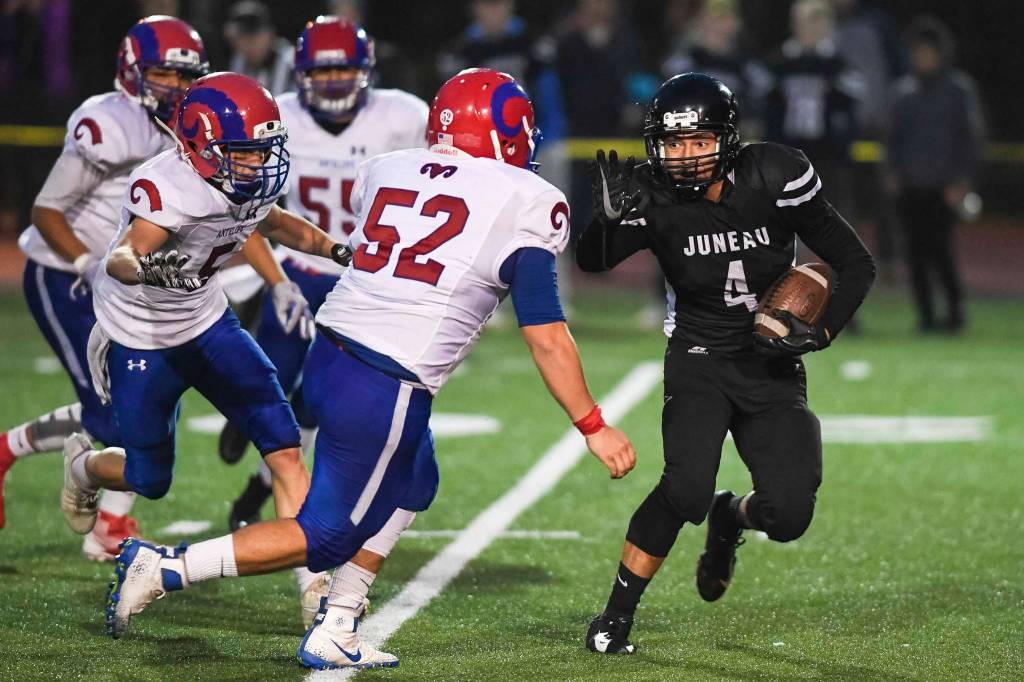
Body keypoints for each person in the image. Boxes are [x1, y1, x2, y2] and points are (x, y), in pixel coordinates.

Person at [102, 68, 638, 671]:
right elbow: (545, 334)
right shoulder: (528, 199)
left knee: (415, 481)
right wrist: (593, 425)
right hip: (388, 378)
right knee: (325, 535)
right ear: (505, 133)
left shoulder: (389, 167)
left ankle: (339, 620)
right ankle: (165, 567)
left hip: (332, 349)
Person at [577, 73, 875, 654]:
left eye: (700, 141)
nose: (686, 156)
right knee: (685, 487)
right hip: (699, 354)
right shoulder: (651, 192)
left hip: (769, 361)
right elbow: (594, 261)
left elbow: (855, 262)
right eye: (674, 143)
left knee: (788, 514)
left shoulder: (774, 175)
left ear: (728, 140)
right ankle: (615, 616)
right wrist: (604, 224)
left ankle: (730, 517)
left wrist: (819, 332)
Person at [60, 72, 353, 625]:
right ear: (199, 144)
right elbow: (122, 257)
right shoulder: (169, 184)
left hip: (209, 323)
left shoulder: (242, 179)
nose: (258, 162)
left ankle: (316, 589)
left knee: (284, 445)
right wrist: (149, 268)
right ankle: (85, 467)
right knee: (150, 479)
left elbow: (280, 225)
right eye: (245, 151)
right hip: (143, 338)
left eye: (264, 149)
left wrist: (341, 250)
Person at [0, 16, 207, 559]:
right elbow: (46, 211)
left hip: (125, 284)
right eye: (164, 72)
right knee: (114, 416)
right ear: (133, 70)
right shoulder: (108, 121)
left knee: (150, 398)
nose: (176, 85)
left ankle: (99, 516)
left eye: (186, 75)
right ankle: (105, 526)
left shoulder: (189, 123)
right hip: (66, 276)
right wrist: (87, 264)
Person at [219, 15, 430, 531]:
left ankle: (260, 488)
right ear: (302, 74)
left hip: (364, 278)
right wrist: (274, 277)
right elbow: (249, 206)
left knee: (318, 397)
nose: (334, 82)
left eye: (344, 71)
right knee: (267, 376)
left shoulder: (403, 117)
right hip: (300, 267)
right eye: (322, 72)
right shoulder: (280, 114)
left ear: (367, 70)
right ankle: (245, 419)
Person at [885, 16, 983, 333]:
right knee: (915, 253)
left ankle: (955, 311)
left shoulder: (958, 90)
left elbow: (969, 139)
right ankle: (925, 315)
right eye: (918, 52)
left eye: (928, 52)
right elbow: (892, 139)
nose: (922, 58)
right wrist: (892, 173)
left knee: (942, 252)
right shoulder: (903, 92)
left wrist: (962, 181)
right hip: (911, 186)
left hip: (944, 187)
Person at [223, 0, 293, 96]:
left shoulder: (290, 61)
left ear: (270, 34)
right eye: (242, 38)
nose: (247, 45)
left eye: (253, 38)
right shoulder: (237, 62)